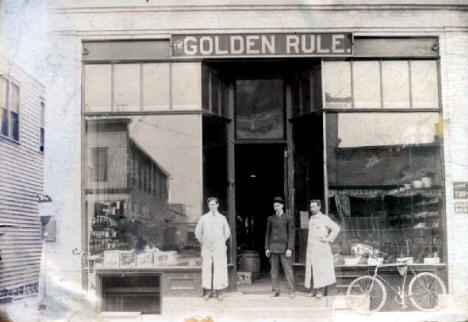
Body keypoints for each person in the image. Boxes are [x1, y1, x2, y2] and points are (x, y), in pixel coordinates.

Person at [195, 197, 231, 300]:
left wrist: (220, 242)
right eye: (210, 205)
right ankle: (208, 292)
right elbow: (198, 232)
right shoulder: (204, 218)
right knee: (207, 268)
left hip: (219, 248)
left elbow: (227, 233)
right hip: (207, 247)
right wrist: (204, 241)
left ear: (218, 205)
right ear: (208, 206)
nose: (212, 206)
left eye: (214, 204)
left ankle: (219, 292)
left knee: (219, 268)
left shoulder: (222, 218)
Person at [304, 199, 341, 298]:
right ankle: (314, 291)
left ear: (319, 207)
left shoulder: (324, 218)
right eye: (311, 207)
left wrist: (328, 239)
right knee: (313, 269)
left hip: (321, 249)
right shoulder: (311, 219)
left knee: (321, 270)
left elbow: (336, 228)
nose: (312, 209)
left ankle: (321, 291)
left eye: (314, 206)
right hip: (312, 249)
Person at [264, 197, 296, 298]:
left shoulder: (288, 218)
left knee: (288, 269)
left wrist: (290, 248)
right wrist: (267, 248)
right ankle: (275, 291)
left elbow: (291, 234)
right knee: (274, 270)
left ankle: (292, 291)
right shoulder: (270, 218)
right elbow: (267, 234)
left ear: (282, 206)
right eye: (274, 206)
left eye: (277, 205)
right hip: (273, 248)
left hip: (285, 248)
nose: (275, 207)